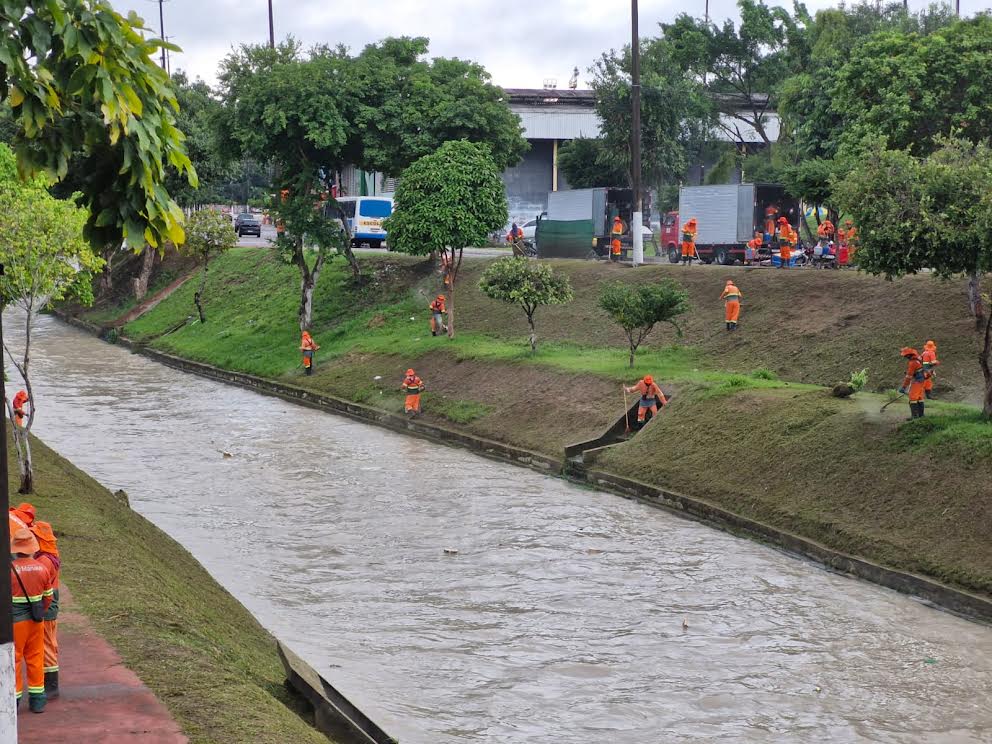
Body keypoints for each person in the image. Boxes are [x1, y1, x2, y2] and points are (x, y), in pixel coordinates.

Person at [12, 503, 61, 698]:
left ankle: (51, 685)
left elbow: (42, 589)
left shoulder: (43, 562)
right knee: (46, 644)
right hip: (44, 603)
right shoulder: (49, 556)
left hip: (42, 605)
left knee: (46, 646)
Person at [11, 528, 55, 713]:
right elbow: (48, 598)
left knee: (14, 660)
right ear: (31, 548)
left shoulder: (10, 570)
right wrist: (40, 611)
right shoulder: (42, 568)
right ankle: (38, 701)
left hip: (15, 623)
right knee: (35, 658)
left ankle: (15, 700)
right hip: (36, 621)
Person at [900, 347, 930, 419]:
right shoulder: (918, 358)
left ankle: (914, 417)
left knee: (913, 398)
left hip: (917, 381)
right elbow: (918, 369)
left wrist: (903, 387)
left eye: (905, 356)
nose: (904, 357)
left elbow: (908, 377)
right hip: (922, 380)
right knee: (919, 397)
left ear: (908, 355)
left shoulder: (912, 363)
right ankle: (921, 415)